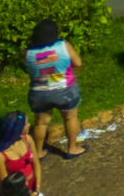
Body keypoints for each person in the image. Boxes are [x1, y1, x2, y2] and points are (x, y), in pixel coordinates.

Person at [22, 19, 85, 159]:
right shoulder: (64, 46)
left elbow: (27, 69)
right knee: (70, 118)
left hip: (39, 93)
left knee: (41, 122)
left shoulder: (27, 53)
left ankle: (38, 152)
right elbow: (78, 63)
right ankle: (72, 148)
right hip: (65, 90)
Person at [0, 112, 41, 196]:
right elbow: (6, 184)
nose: (29, 125)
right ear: (18, 128)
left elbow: (36, 164)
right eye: (26, 124)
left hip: (32, 188)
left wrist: (37, 189)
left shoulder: (28, 140)